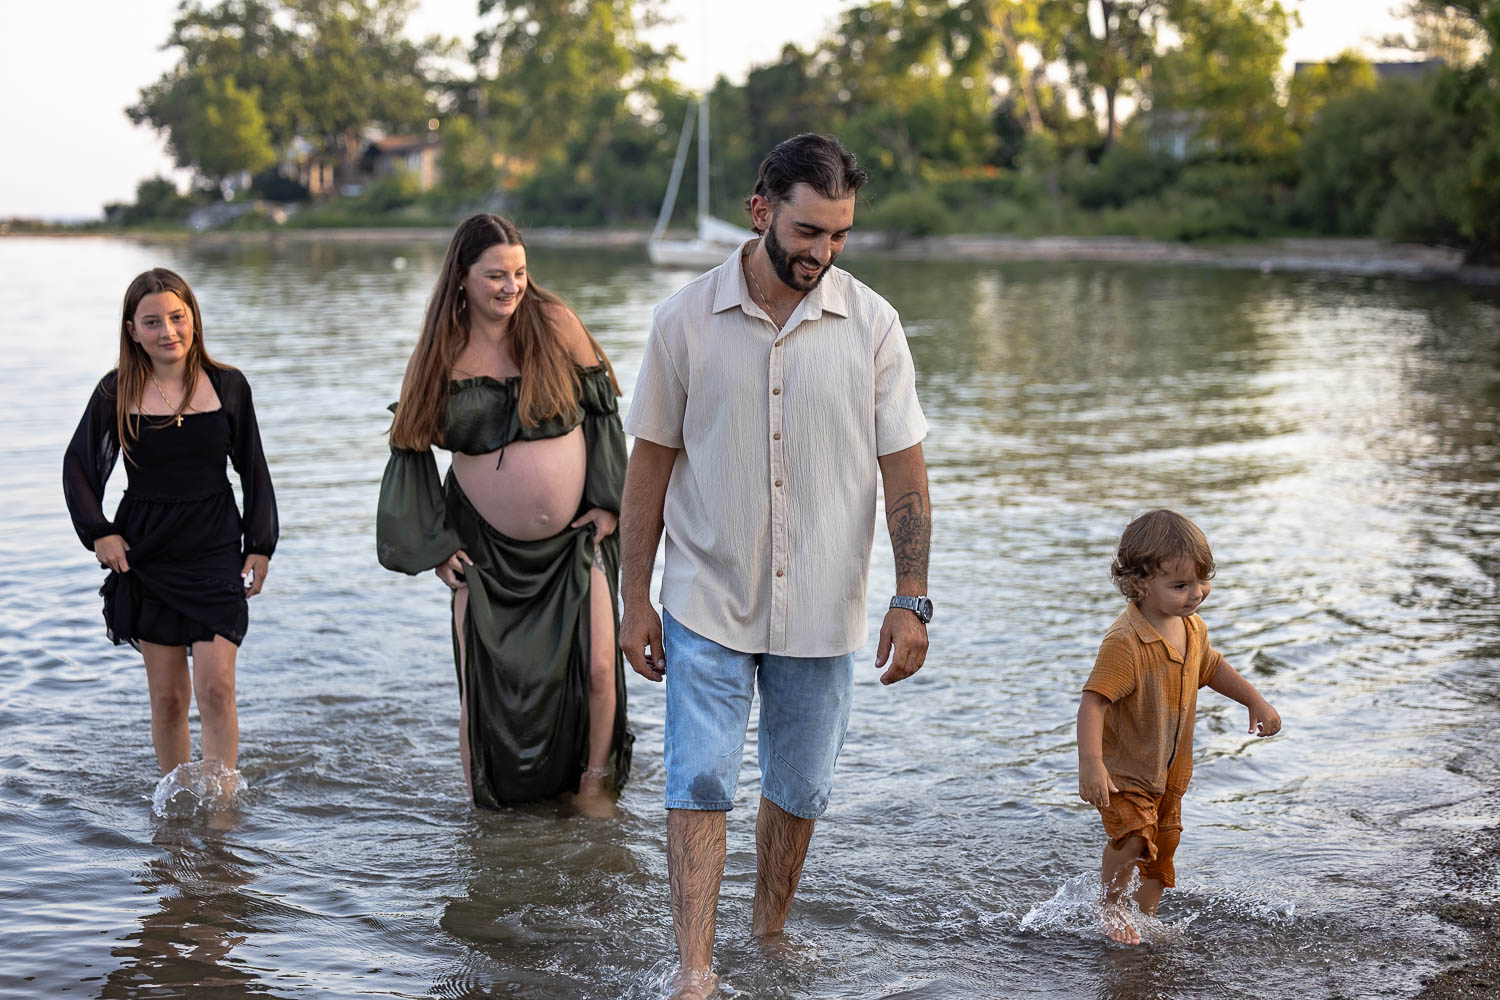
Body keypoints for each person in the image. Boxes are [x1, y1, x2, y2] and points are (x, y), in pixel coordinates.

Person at [618, 133, 933, 997]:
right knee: (701, 777)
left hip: (825, 602)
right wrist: (632, 599)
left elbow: (904, 469)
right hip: (704, 595)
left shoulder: (873, 325)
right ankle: (695, 971)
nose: (821, 254)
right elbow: (648, 465)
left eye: (838, 236)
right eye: (807, 232)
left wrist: (914, 599)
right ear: (762, 211)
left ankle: (767, 934)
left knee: (799, 790)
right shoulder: (684, 319)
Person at [377, 213, 632, 810]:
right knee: (482, 693)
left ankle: (594, 790)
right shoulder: (441, 351)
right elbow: (409, 447)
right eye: (495, 275)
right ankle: (485, 814)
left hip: (575, 541)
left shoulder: (554, 322)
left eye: (519, 272)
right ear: (461, 277)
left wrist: (606, 503)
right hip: (484, 553)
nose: (510, 287)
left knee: (597, 670)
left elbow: (602, 415)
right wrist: (436, 545)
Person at [63, 267, 278, 783]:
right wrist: (100, 532)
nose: (169, 332)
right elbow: (79, 468)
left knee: (217, 688)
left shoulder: (228, 385)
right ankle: (177, 811)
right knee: (167, 699)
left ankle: (220, 806)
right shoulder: (115, 392)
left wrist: (261, 543)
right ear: (132, 329)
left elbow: (254, 467)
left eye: (177, 317)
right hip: (147, 552)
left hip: (214, 544)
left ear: (193, 319)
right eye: (153, 322)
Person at [1076, 508, 1282, 945]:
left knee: (1161, 853)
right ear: (1139, 583)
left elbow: (1213, 667)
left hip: (1170, 776)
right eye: (1181, 586)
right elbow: (1093, 701)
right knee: (1133, 838)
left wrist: (1255, 699)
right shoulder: (1125, 642)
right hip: (1124, 773)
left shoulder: (1193, 629)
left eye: (1202, 581)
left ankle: (1146, 919)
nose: (1197, 594)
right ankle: (1110, 905)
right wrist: (1091, 765)